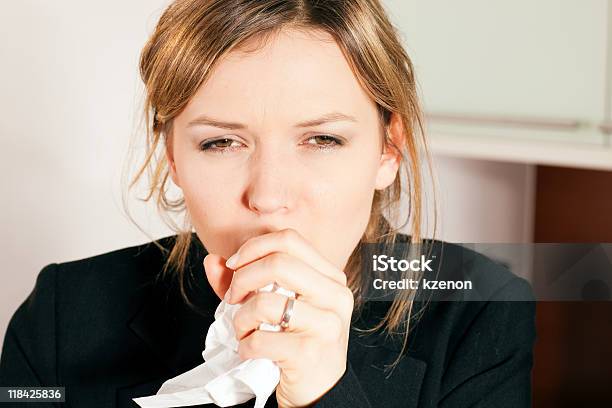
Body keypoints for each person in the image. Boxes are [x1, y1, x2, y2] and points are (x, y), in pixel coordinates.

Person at [0, 0, 536, 407]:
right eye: (220, 143)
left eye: (322, 140)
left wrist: (324, 392)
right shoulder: (62, 312)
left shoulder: (481, 311)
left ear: (388, 150)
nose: (270, 197)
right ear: (173, 157)